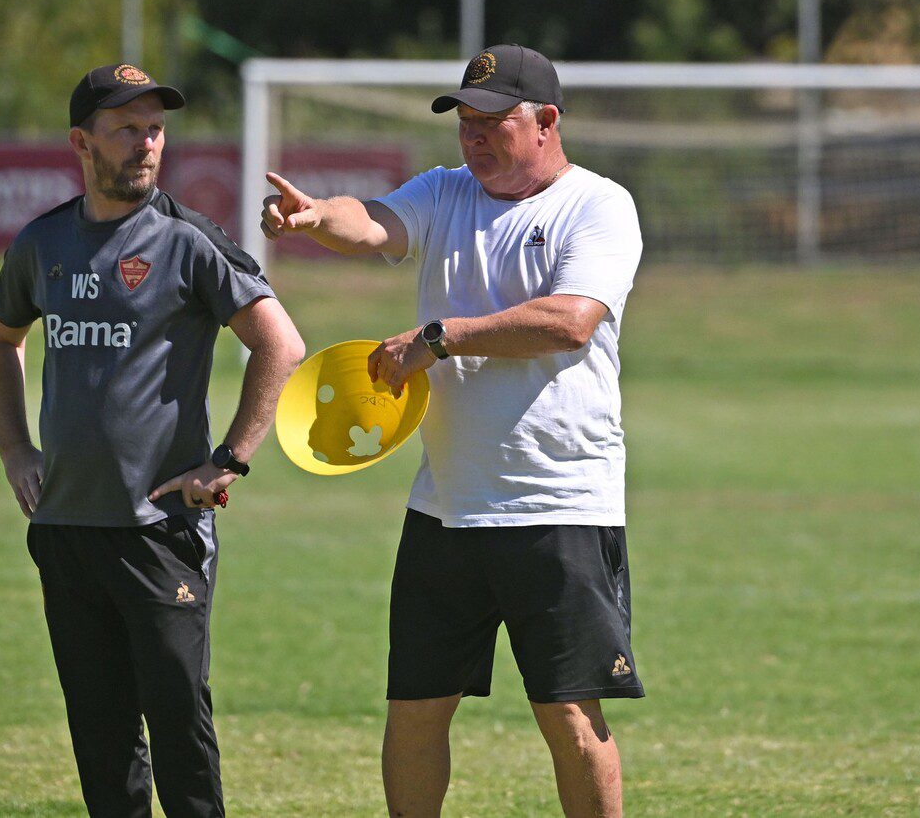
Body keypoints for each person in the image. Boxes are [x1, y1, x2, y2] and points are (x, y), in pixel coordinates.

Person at [261, 44, 645, 818]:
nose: (472, 137)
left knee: (569, 715)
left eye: (492, 122)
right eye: (463, 121)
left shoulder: (599, 205)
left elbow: (570, 322)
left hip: (558, 505)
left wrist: (437, 338)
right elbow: (372, 223)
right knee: (415, 709)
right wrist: (316, 218)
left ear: (546, 122)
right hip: (445, 507)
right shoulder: (445, 192)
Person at [0, 63, 305, 818]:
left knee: (180, 733)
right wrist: (15, 450)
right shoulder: (44, 242)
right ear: (81, 142)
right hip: (65, 529)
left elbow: (279, 345)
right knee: (101, 741)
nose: (147, 142)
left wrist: (229, 459)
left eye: (155, 127)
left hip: (161, 533)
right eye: (127, 128)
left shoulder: (187, 240)